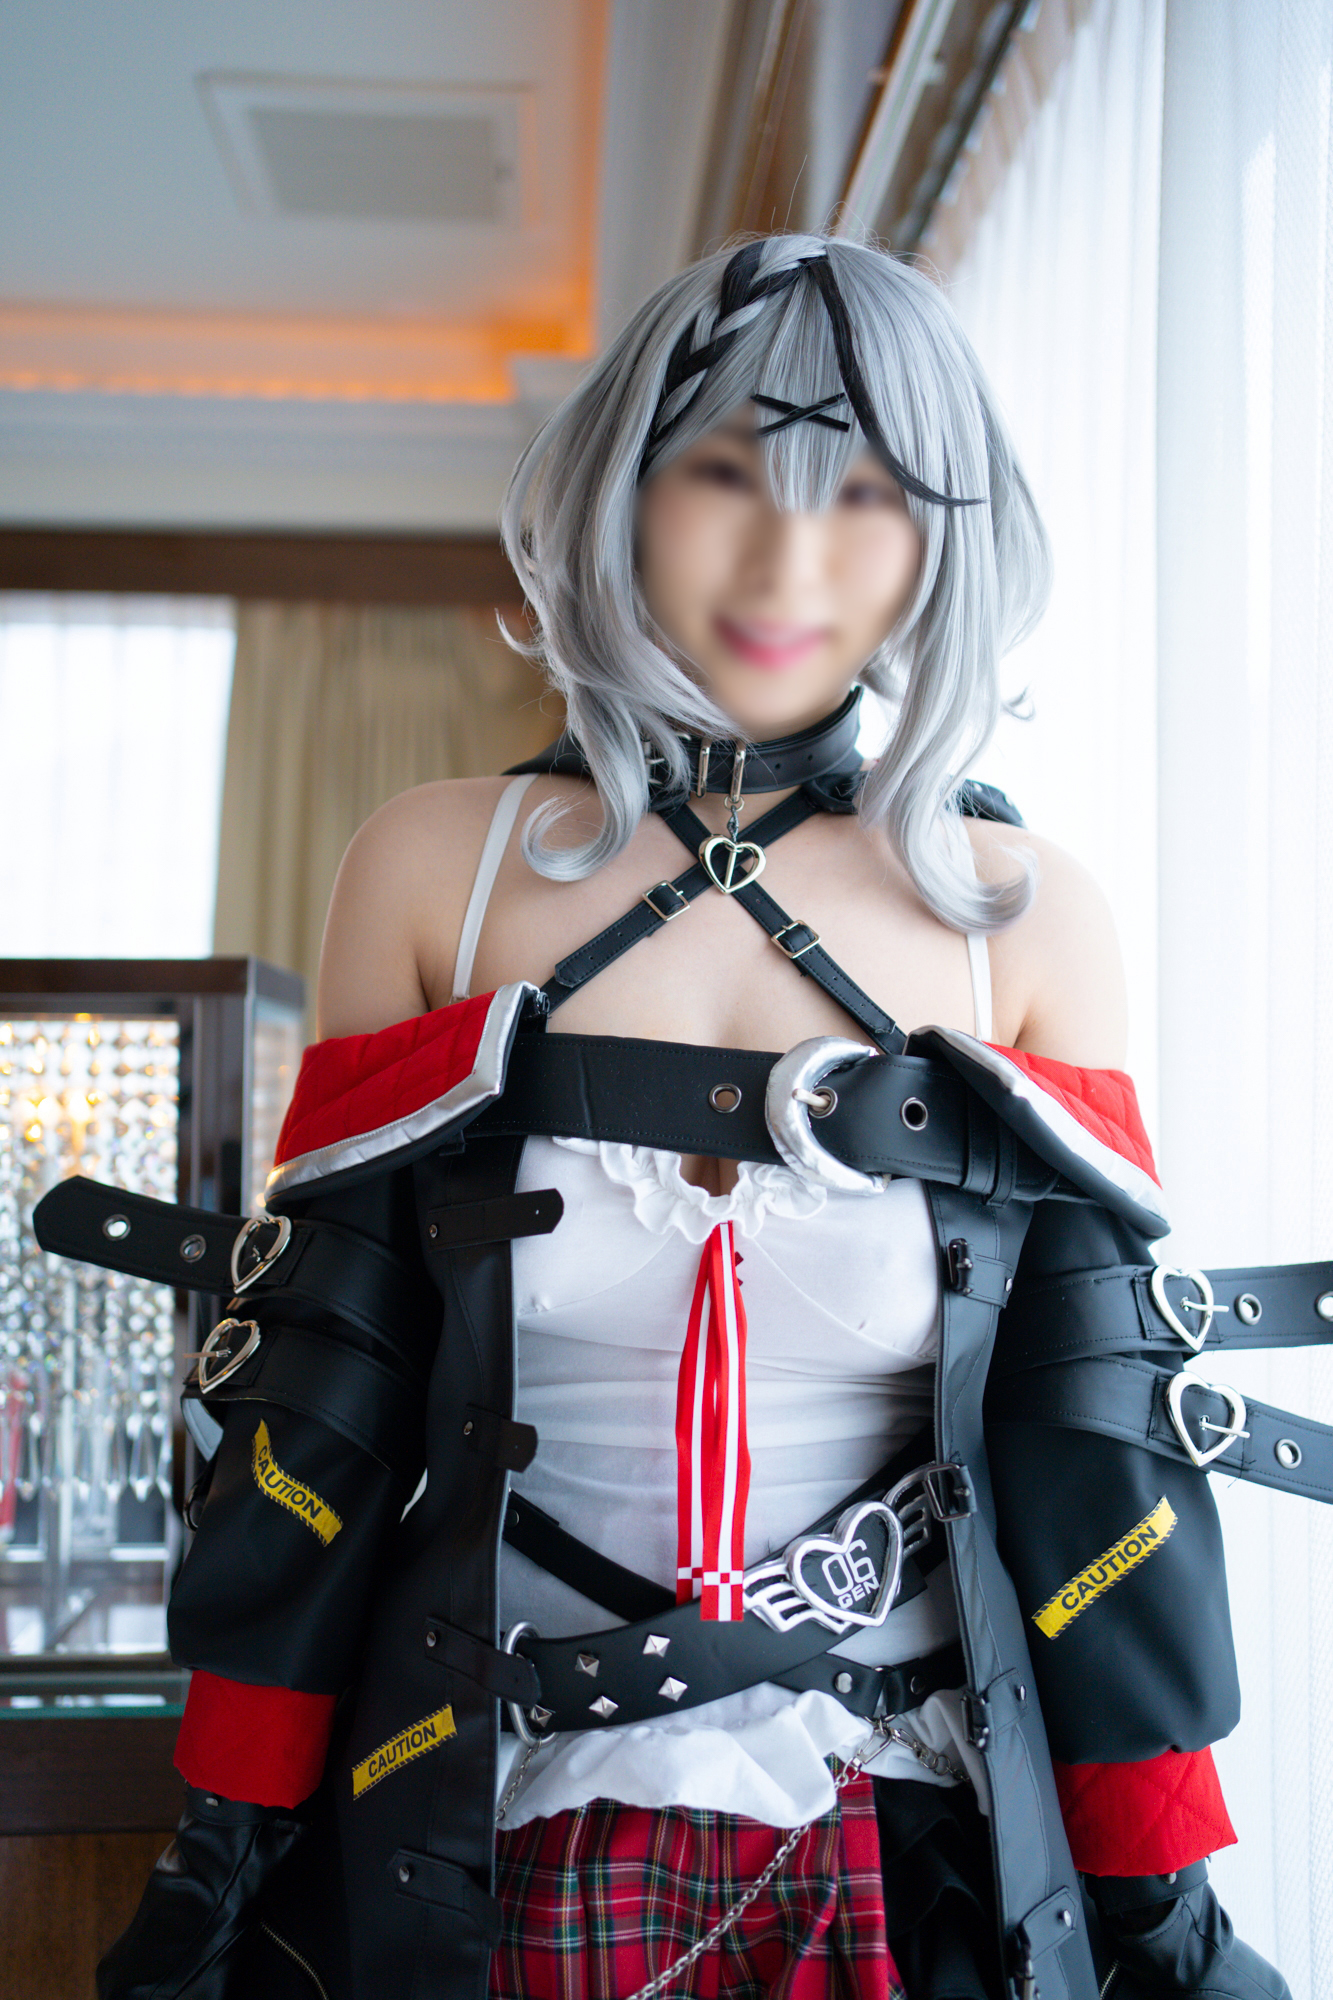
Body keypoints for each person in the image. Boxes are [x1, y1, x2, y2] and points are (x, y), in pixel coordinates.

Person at [69, 233, 1306, 2000]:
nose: (787, 560)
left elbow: (1085, 1449)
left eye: (864, 493)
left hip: (901, 1837)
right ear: (622, 491)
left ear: (943, 536)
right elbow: (321, 1410)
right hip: (479, 1823)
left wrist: (1155, 1905)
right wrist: (218, 1844)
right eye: (726, 471)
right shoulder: (432, 872)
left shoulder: (1022, 918)